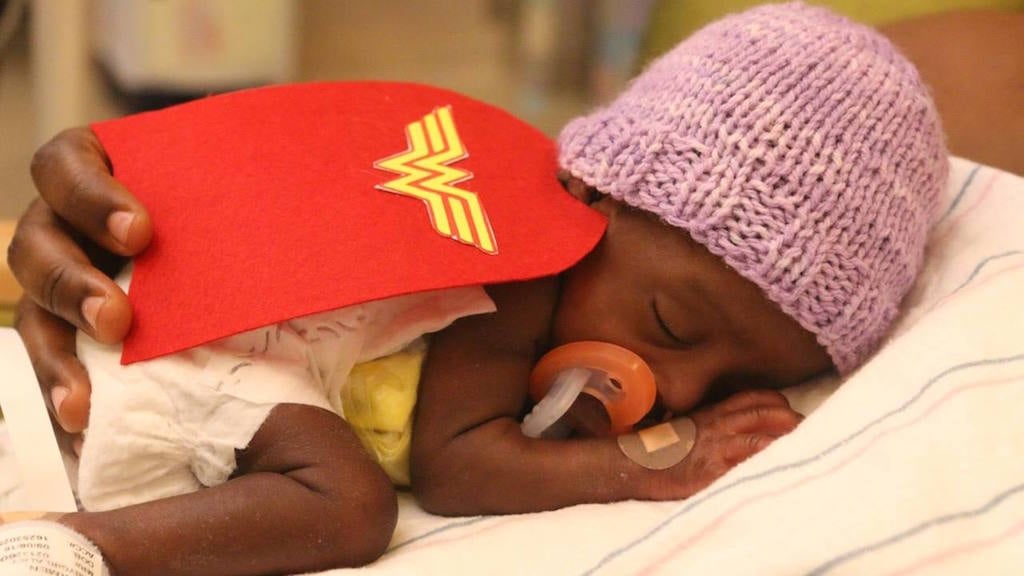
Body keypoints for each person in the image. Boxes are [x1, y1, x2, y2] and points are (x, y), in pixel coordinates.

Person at [4, 2, 948, 574]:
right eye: (670, 324)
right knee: (345, 505)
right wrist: (666, 460)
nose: (682, 391)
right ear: (591, 198)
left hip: (196, 369)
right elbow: (460, 467)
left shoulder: (603, 278)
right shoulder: (525, 264)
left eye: (740, 381)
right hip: (198, 356)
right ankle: (79, 550)